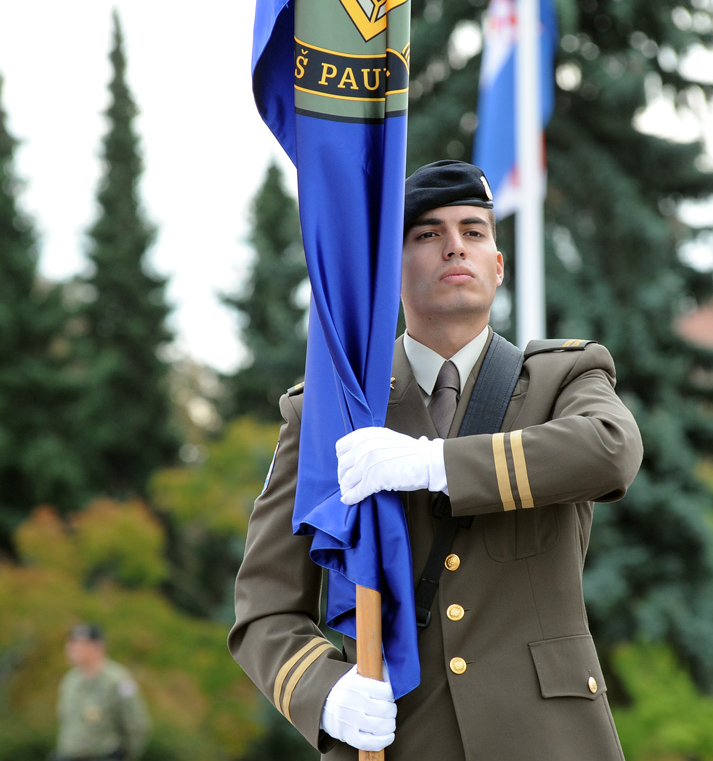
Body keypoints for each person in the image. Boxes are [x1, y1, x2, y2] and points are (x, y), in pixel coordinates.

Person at [228, 160, 643, 760]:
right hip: (401, 743)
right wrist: (325, 692)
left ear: (498, 265)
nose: (455, 246)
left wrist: (436, 464)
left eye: (474, 231)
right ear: (389, 269)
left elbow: (611, 448)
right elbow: (265, 607)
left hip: (546, 740)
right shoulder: (330, 413)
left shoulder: (563, 377)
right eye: (427, 233)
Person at [55, 623, 150, 761]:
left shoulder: (118, 680)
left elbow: (135, 725)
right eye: (71, 643)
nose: (72, 648)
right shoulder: (70, 680)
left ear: (97, 647)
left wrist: (124, 756)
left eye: (80, 644)